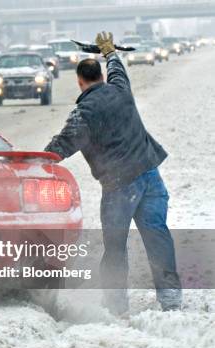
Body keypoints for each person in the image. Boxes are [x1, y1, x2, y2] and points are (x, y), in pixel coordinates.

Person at [44, 32, 182, 314]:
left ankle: (117, 306)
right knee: (157, 237)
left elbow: (62, 145)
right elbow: (118, 69)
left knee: (116, 247)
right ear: (102, 77)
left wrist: (36, 162)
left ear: (80, 81)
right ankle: (171, 301)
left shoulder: (84, 113)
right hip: (150, 174)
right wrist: (109, 53)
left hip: (120, 185)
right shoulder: (120, 88)